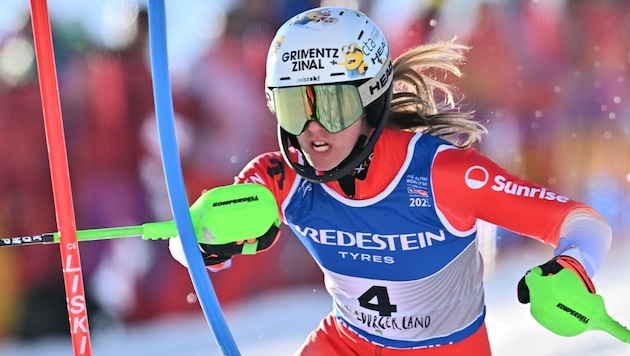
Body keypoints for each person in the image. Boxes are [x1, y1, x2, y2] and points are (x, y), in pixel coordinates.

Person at [170, 6, 612, 355]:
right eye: (293, 108)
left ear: (370, 103)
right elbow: (192, 241)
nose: (312, 129)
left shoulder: (442, 175)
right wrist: (204, 240)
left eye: (332, 106)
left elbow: (583, 222)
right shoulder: (278, 177)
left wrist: (575, 266)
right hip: (342, 346)